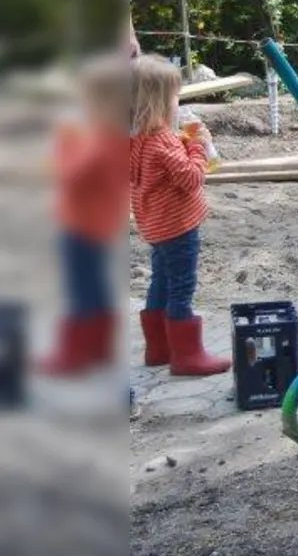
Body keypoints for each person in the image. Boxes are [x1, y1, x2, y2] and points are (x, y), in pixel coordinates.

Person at [130, 55, 231, 377]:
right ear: (160, 101)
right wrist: (198, 146)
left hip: (154, 226)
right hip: (178, 227)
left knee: (160, 281)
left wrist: (181, 144)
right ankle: (186, 355)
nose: (178, 102)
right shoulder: (162, 142)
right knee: (181, 287)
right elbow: (190, 180)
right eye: (176, 96)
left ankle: (158, 349)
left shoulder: (134, 140)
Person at [36, 56, 130, 376]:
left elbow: (71, 177)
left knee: (80, 290)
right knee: (97, 288)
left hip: (81, 226)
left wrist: (65, 144)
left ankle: (75, 354)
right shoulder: (113, 135)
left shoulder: (100, 139)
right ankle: (100, 349)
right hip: (101, 224)